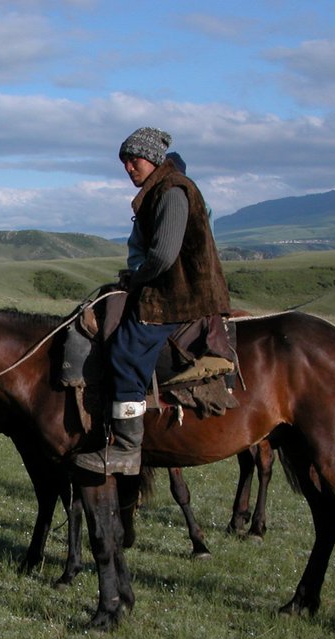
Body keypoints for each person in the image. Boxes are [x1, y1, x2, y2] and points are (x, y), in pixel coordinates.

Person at [79, 127, 231, 476]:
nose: (129, 167)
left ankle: (128, 449)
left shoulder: (172, 190)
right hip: (173, 289)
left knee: (125, 352)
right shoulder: (161, 189)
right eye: (125, 162)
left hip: (179, 295)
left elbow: (163, 255)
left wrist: (137, 278)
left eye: (134, 160)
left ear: (153, 159)